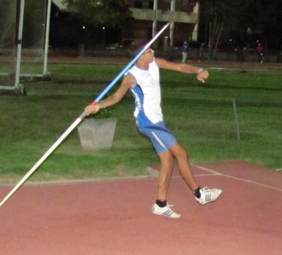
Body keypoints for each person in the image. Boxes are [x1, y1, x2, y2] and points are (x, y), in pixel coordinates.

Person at [84, 46, 222, 218]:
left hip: (158, 121)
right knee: (181, 153)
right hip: (148, 123)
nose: (154, 53)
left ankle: (160, 203)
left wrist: (198, 70)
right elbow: (116, 97)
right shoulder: (131, 76)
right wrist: (99, 105)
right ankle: (199, 194)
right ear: (140, 56)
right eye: (149, 51)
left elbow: (178, 66)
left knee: (166, 159)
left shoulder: (156, 64)